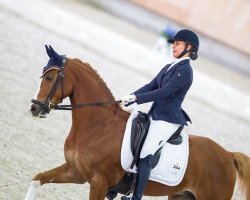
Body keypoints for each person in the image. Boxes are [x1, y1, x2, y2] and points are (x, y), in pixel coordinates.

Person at [120, 29, 199, 200]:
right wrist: (130, 97)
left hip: (168, 120)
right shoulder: (170, 66)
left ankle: (136, 197)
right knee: (133, 141)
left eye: (178, 44)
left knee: (146, 152)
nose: (174, 47)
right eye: (174, 44)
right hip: (155, 114)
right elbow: (151, 86)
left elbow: (164, 91)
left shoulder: (185, 71)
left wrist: (137, 98)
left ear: (189, 47)